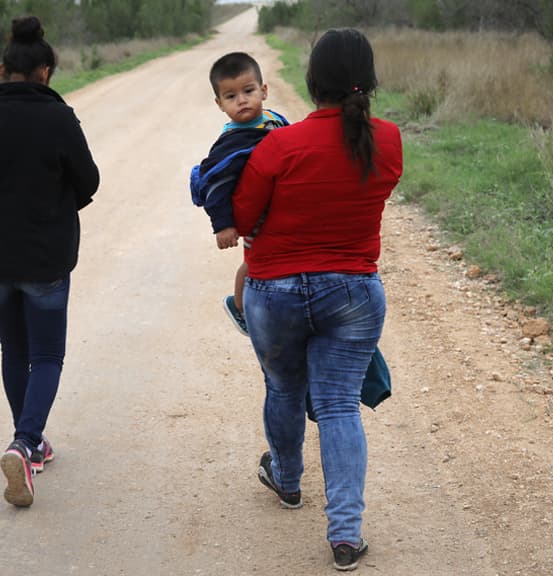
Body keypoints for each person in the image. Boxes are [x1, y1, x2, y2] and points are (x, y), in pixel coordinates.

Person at [232, 29, 403, 571]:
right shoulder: (389, 140)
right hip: (354, 291)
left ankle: (286, 480)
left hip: (275, 292)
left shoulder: (277, 145)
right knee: (336, 405)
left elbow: (240, 218)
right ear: (369, 81)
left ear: (311, 82)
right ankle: (346, 535)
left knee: (283, 387)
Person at [0, 15, 99, 508]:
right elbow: (89, 183)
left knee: (15, 350)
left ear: (0, 68)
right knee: (48, 355)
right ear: (46, 71)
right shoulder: (59, 118)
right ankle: (25, 443)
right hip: (45, 258)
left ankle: (29, 441)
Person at [190, 51, 287, 336]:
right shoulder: (232, 142)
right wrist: (223, 225)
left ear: (264, 90)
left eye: (248, 91)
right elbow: (217, 187)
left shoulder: (273, 119)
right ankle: (239, 306)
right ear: (219, 104)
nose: (241, 100)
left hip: (278, 209)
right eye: (231, 97)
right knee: (253, 262)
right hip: (255, 217)